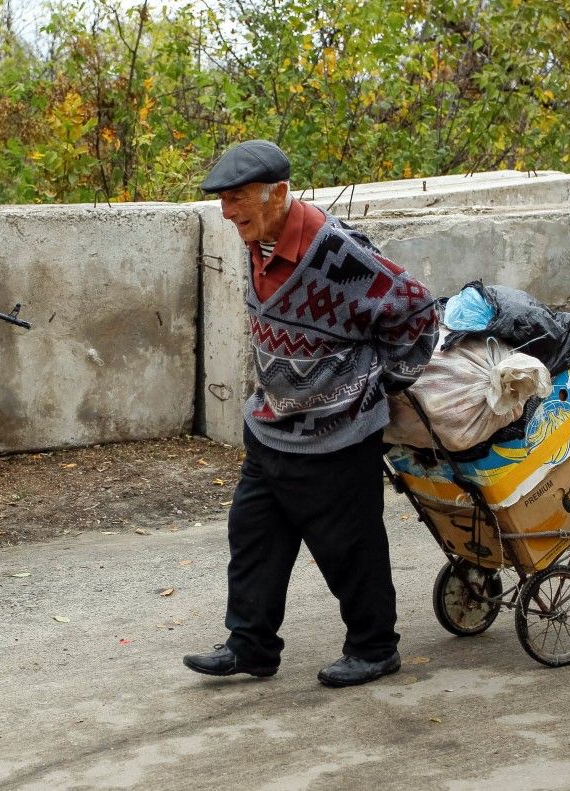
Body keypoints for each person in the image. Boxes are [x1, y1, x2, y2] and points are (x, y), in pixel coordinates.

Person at [182, 140, 438, 686]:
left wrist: (376, 385)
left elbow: (415, 308)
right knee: (253, 536)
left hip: (337, 433)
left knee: (349, 547)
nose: (227, 214)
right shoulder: (259, 238)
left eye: (237, 199)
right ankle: (251, 645)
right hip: (272, 423)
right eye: (222, 202)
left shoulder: (337, 255)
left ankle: (374, 648)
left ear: (277, 193)